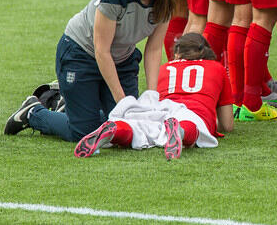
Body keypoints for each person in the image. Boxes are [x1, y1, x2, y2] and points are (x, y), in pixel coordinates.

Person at [4, 0, 177, 142]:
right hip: (81, 55)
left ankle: (69, 105)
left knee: (126, 125)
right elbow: (101, 50)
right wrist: (121, 99)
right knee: (85, 132)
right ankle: (33, 112)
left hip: (122, 59)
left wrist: (152, 94)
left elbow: (154, 49)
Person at [73, 33, 234, 159]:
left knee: (140, 131)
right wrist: (213, 120)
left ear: (177, 52)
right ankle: (180, 131)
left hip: (160, 108)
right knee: (194, 126)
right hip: (192, 112)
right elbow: (227, 125)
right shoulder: (216, 68)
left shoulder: (164, 67)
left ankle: (116, 129)